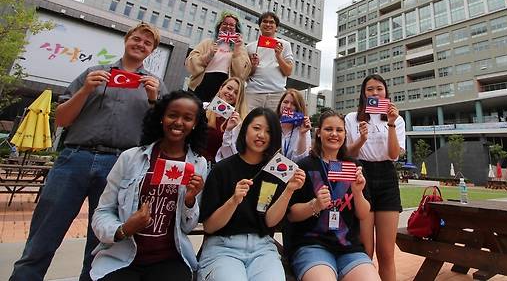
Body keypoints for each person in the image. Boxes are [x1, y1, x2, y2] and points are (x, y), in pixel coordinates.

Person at [10, 23, 167, 281]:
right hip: (75, 158)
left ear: (152, 51)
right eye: (136, 39)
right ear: (127, 40)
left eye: (147, 43)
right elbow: (61, 119)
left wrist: (153, 99)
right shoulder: (93, 73)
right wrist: (85, 90)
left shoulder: (154, 84)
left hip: (120, 166)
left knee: (101, 244)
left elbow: (159, 133)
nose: (140, 44)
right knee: (43, 235)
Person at [90, 91, 208, 281]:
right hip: (122, 258)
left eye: (187, 118)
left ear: (195, 124)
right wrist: (124, 229)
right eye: (172, 115)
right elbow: (102, 211)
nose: (178, 122)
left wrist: (190, 200)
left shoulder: (198, 164)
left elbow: (187, 227)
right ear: (161, 117)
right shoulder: (130, 158)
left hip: (170, 259)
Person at [198, 107, 305, 281]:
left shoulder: (277, 170)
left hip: (262, 248)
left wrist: (289, 190)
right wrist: (233, 201)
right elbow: (209, 227)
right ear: (245, 129)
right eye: (256, 128)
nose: (261, 135)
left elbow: (270, 221)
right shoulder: (222, 169)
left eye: (268, 131)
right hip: (222, 246)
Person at [287, 110, 379, 281]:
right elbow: (291, 215)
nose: (334, 134)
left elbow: (364, 213)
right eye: (328, 129)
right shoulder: (305, 166)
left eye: (339, 130)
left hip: (348, 247)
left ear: (345, 133)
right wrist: (314, 205)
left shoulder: (353, 166)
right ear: (319, 133)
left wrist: (358, 193)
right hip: (312, 245)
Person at [345, 75, 404, 281]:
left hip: (387, 176)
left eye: (379, 88)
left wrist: (391, 124)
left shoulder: (396, 119)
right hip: (362, 175)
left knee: (386, 253)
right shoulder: (352, 118)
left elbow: (394, 154)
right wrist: (361, 139)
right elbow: (349, 153)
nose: (375, 93)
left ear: (386, 92)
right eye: (370, 89)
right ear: (363, 94)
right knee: (365, 250)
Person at [186, 11, 251, 102]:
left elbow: (241, 74)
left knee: (214, 115)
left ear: (236, 29)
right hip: (202, 83)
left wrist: (237, 50)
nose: (228, 27)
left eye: (232, 25)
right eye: (224, 24)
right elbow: (191, 62)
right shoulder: (208, 42)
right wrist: (208, 55)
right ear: (219, 26)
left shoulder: (240, 48)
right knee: (196, 112)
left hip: (224, 85)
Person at [245, 12, 293, 111]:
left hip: (277, 93)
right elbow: (246, 75)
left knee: (273, 125)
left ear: (276, 27)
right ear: (260, 25)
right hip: (253, 93)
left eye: (271, 22)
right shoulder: (249, 47)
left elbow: (288, 72)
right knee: (248, 122)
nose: (268, 24)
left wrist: (278, 56)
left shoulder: (284, 44)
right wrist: (253, 65)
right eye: (265, 21)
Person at [206, 76, 248, 162]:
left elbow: (230, 155)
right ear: (221, 88)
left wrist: (230, 130)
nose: (231, 93)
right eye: (229, 88)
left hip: (215, 165)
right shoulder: (203, 107)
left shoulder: (237, 122)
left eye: (236, 93)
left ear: (239, 99)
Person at [277, 89, 312, 162]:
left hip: (295, 171)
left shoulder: (303, 129)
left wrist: (302, 134)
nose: (288, 106)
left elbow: (302, 160)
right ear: (280, 104)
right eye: (285, 102)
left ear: (298, 107)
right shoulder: (272, 123)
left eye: (293, 104)